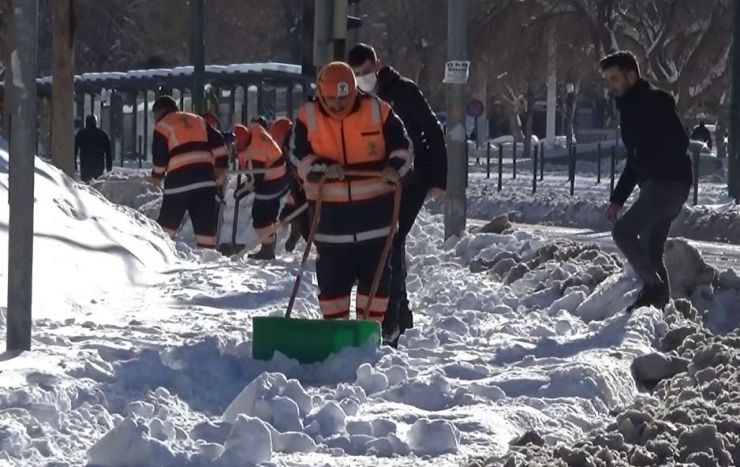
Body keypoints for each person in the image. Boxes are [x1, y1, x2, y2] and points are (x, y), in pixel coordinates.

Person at [291, 61, 412, 341]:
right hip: (330, 224)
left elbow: (403, 148)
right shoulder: (308, 116)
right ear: (320, 93)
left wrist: (394, 168)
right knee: (332, 290)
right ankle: (336, 340)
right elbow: (298, 155)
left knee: (376, 288)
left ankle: (368, 338)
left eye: (343, 98)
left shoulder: (377, 110)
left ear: (355, 90)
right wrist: (322, 168)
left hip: (375, 222)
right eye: (330, 98)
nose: (336, 104)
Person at [347, 43, 447, 341]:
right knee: (388, 242)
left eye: (365, 72)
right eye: (355, 75)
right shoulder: (360, 100)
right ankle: (399, 313)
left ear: (377, 65)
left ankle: (392, 319)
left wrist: (438, 178)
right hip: (384, 180)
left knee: (391, 240)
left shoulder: (403, 91)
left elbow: (431, 130)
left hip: (413, 178)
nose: (362, 78)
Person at [601, 51, 693, 312]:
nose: (611, 85)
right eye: (608, 80)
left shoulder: (656, 101)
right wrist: (617, 200)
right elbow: (634, 161)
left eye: (614, 78)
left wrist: (649, 157)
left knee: (623, 232)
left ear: (631, 75)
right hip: (658, 185)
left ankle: (654, 289)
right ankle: (658, 309)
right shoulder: (628, 111)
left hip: (669, 183)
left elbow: (680, 141)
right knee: (653, 248)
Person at [150, 96, 229, 249]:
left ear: (159, 112)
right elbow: (218, 140)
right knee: (205, 229)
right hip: (205, 181)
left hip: (179, 183)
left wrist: (156, 176)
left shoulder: (162, 126)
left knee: (166, 228)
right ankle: (208, 260)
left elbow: (160, 158)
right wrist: (220, 168)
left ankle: (157, 253)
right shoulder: (197, 119)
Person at [233, 121, 289, 260]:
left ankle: (267, 250)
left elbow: (254, 181)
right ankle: (268, 247)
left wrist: (240, 192)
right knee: (267, 215)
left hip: (273, 182)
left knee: (260, 216)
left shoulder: (254, 156)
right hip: (281, 175)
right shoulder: (255, 131)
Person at [270, 117, 310, 252]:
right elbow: (295, 185)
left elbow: (300, 179)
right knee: (307, 226)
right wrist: (288, 210)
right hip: (307, 194)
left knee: (312, 227)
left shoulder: (294, 150)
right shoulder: (289, 153)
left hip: (313, 193)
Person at [75, 114, 112, 183]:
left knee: (86, 184)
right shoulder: (102, 134)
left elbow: (75, 149)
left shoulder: (81, 134)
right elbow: (108, 151)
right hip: (98, 165)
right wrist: (109, 167)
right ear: (95, 122)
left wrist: (74, 164)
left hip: (85, 165)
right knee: (98, 184)